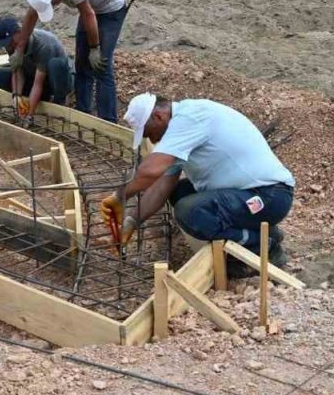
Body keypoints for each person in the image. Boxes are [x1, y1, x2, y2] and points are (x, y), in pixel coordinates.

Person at [100, 93, 295, 271]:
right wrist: (131, 221)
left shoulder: (189, 118)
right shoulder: (181, 129)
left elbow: (149, 171)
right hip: (248, 195)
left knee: (189, 210)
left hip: (269, 196)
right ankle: (261, 231)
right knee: (178, 191)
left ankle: (263, 247)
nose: (152, 139)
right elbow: (161, 188)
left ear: (159, 116)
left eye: (148, 132)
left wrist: (119, 197)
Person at [19, 0, 127, 123]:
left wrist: (94, 48)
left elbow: (88, 13)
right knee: (82, 64)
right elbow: (31, 15)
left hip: (109, 7)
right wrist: (20, 50)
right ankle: (82, 115)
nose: (55, 6)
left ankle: (108, 121)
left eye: (53, 4)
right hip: (90, 8)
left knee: (101, 66)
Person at [0, 15, 73, 119]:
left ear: (19, 32)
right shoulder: (12, 45)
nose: (9, 46)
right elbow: (18, 70)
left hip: (58, 80)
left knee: (55, 65)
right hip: (34, 76)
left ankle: (59, 101)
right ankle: (42, 98)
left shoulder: (44, 44)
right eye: (6, 44)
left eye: (10, 42)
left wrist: (30, 115)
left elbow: (38, 83)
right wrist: (16, 96)